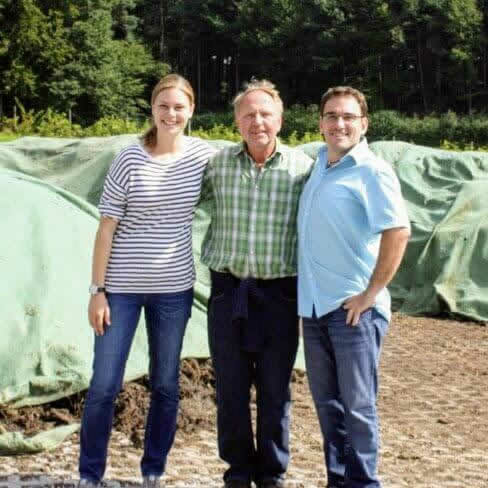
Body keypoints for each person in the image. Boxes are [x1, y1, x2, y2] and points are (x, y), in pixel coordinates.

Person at [78, 74, 216, 488]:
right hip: (120, 290)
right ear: (152, 109)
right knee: (104, 384)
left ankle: (153, 470)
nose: (171, 114)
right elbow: (106, 227)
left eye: (179, 107)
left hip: (174, 291)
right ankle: (90, 474)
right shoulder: (129, 157)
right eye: (163, 106)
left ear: (191, 110)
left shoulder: (204, 157)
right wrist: (97, 291)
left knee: (166, 383)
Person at [200, 80, 313, 488]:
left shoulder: (304, 169)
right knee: (230, 388)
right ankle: (237, 471)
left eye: (265, 113)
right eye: (248, 114)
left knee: (274, 390)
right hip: (229, 291)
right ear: (236, 121)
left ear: (280, 119)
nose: (257, 121)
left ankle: (271, 473)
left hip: (279, 293)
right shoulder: (217, 165)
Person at [297, 86, 411, 488]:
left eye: (348, 117)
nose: (338, 123)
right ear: (321, 123)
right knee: (329, 407)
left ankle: (364, 483)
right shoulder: (319, 167)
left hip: (354, 312)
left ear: (363, 124)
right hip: (314, 309)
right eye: (331, 116)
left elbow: (398, 232)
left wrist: (370, 293)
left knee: (358, 406)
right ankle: (338, 480)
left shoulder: (372, 171)